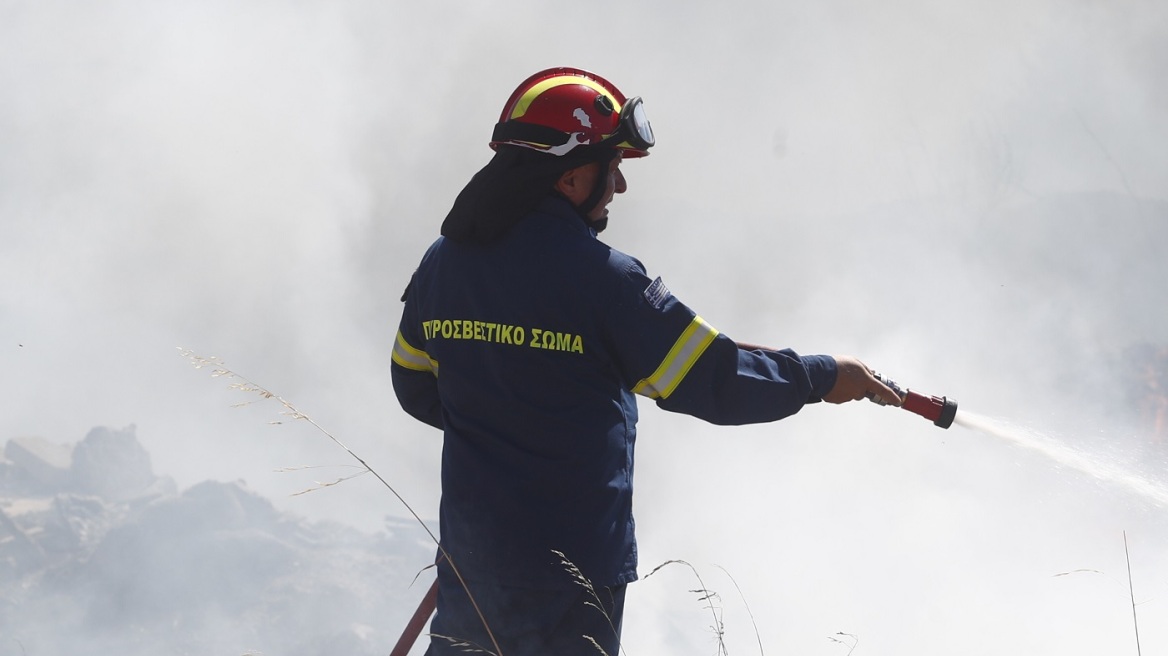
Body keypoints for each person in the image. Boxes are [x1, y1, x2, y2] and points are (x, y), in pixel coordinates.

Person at [391, 67, 901, 656]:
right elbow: (717, 382)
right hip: (572, 581)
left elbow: (414, 385)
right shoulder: (608, 281)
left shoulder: (443, 264)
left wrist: (501, 418)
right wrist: (823, 375)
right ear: (572, 177)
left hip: (473, 567)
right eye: (615, 167)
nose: (620, 187)